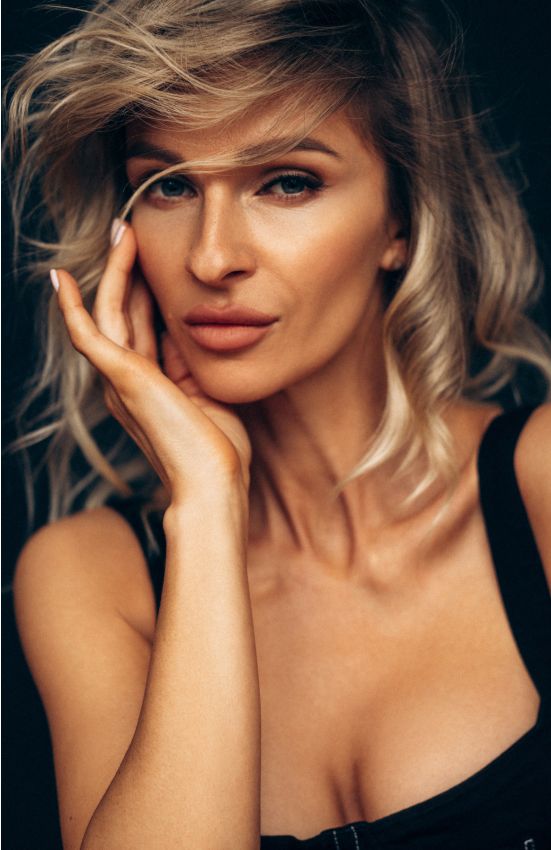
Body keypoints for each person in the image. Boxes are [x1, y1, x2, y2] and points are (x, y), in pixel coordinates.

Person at [5, 0, 551, 847]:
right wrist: (206, 508)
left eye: (287, 182)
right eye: (169, 185)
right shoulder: (92, 576)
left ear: (401, 221)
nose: (211, 257)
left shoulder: (538, 479)